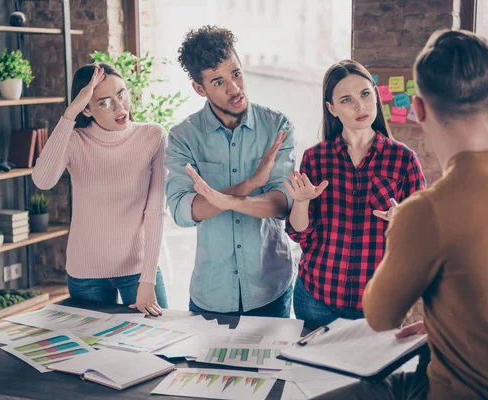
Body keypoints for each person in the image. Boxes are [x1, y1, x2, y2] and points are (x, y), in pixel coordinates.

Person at [317, 30, 488, 400]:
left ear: (419, 108)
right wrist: (443, 321)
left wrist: (399, 229)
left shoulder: (425, 210)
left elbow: (380, 316)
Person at [165, 25, 296, 317]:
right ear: (200, 89)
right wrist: (249, 185)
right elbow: (184, 212)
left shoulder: (277, 126)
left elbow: (282, 203)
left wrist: (220, 201)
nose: (234, 88)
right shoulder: (183, 137)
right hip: (211, 293)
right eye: (218, 81)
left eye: (236, 73)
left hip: (269, 288)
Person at [284, 60, 426, 329]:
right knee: (312, 372)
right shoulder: (316, 158)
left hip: (378, 302)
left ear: (375, 93)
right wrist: (301, 202)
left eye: (364, 94)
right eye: (346, 99)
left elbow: (423, 238)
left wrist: (403, 222)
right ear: (332, 108)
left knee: (375, 372)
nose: (360, 106)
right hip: (316, 296)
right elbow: (300, 234)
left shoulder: (403, 159)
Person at [32, 63, 168, 316]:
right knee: (95, 354)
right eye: (104, 103)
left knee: (160, 347)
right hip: (86, 273)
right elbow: (42, 180)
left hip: (139, 270)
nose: (120, 107)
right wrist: (70, 112)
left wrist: (148, 279)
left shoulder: (153, 136)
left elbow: (156, 211)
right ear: (87, 108)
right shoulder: (74, 141)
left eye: (122, 94)